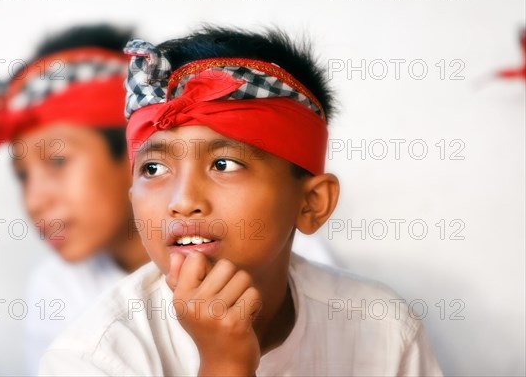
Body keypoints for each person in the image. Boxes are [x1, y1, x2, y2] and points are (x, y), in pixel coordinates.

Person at [39, 27, 443, 376]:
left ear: (311, 204)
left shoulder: (384, 328)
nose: (183, 202)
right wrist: (225, 365)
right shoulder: (94, 358)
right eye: (154, 170)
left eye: (224, 163)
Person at [0, 25, 150, 373]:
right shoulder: (58, 288)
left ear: (135, 153)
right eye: (22, 176)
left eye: (58, 161)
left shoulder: (241, 263)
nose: (34, 201)